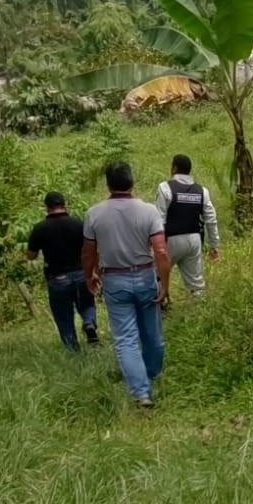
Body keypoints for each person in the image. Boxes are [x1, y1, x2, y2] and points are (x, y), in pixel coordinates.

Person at [82, 162, 169, 408]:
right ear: (132, 182)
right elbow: (161, 251)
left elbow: (88, 252)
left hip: (114, 280)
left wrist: (89, 276)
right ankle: (152, 375)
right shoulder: (149, 211)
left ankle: (141, 393)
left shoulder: (94, 214)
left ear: (108, 184)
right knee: (152, 334)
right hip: (145, 276)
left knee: (126, 339)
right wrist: (164, 283)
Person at [26, 190, 98, 350]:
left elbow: (31, 256)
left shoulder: (40, 228)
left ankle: (73, 349)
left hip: (57, 278)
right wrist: (93, 271)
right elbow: (91, 249)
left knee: (63, 315)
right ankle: (89, 323)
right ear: (65, 205)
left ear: (47, 207)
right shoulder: (78, 224)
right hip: (81, 273)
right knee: (87, 303)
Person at [154, 153, 219, 299]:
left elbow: (159, 219)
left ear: (174, 168)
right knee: (196, 285)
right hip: (194, 240)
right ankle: (199, 308)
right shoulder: (202, 191)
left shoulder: (165, 188)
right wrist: (214, 245)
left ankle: (162, 304)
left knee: (157, 275)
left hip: (170, 240)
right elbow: (211, 219)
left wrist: (157, 245)